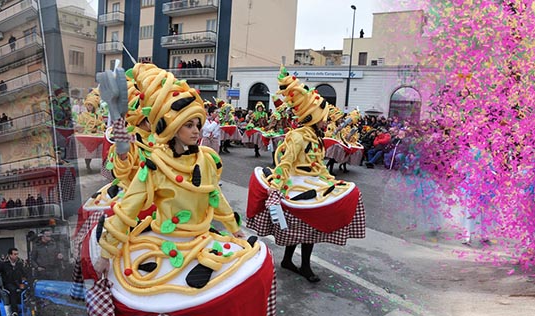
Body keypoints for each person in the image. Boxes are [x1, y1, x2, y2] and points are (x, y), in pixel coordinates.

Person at [91, 63, 274, 315]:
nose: (196, 130)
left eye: (197, 124)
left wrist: (235, 229)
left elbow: (215, 197)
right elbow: (127, 210)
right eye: (189, 125)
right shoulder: (155, 166)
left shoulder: (206, 159)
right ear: (171, 127)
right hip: (168, 242)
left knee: (253, 267)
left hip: (202, 239)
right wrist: (106, 254)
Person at [247, 67, 366, 284]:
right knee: (303, 228)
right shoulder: (298, 136)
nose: (326, 122)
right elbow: (285, 162)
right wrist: (277, 185)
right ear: (312, 117)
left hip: (313, 184)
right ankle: (298, 264)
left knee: (305, 229)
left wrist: (330, 180)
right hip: (297, 187)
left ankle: (295, 262)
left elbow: (318, 166)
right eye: (323, 119)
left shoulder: (316, 137)